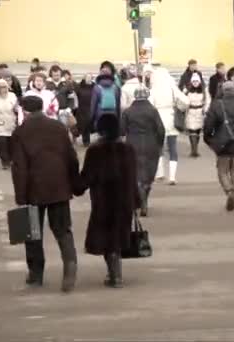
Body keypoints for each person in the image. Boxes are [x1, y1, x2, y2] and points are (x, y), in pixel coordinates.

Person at [11, 96, 80, 292]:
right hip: (59, 187)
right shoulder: (58, 127)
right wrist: (74, 183)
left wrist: (21, 197)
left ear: (24, 111)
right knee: (63, 230)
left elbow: (20, 168)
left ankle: (36, 274)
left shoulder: (21, 132)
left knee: (33, 233)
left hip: (34, 190)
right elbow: (71, 157)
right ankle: (70, 265)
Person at [74, 114, 139, 288]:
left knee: (108, 240)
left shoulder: (95, 151)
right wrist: (136, 200)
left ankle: (115, 275)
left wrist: (76, 186)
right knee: (117, 238)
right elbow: (133, 177)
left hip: (103, 202)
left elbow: (86, 178)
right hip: (124, 201)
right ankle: (115, 274)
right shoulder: (128, 150)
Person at [204, 82, 234, 211]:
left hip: (222, 144)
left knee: (222, 171)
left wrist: (209, 140)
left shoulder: (216, 106)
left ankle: (228, 190)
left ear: (223, 91)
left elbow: (208, 126)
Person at [122, 86, 165, 217]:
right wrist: (159, 144)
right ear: (147, 96)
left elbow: (122, 130)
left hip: (132, 144)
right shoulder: (153, 111)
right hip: (151, 144)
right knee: (149, 173)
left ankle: (140, 200)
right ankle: (144, 198)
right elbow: (161, 130)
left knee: (135, 173)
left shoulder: (128, 112)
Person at [151, 68, 189, 185]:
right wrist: (179, 107)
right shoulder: (172, 88)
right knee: (172, 148)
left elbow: (150, 103)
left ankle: (160, 174)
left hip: (157, 120)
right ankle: (172, 177)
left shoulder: (153, 90)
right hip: (171, 118)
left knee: (158, 147)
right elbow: (186, 101)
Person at [185, 72, 210, 158]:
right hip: (191, 112)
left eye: (197, 81)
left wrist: (205, 110)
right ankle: (193, 150)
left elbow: (207, 101)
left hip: (199, 112)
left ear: (199, 82)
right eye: (194, 82)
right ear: (191, 82)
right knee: (192, 131)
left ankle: (196, 148)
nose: (195, 83)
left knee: (197, 131)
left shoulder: (203, 91)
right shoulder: (187, 91)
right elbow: (184, 101)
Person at [76, 74, 95, 147]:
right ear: (84, 78)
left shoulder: (94, 86)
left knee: (90, 124)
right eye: (87, 77)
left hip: (91, 107)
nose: (88, 79)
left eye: (90, 77)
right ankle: (86, 141)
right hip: (82, 108)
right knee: (84, 124)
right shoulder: (80, 86)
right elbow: (76, 95)